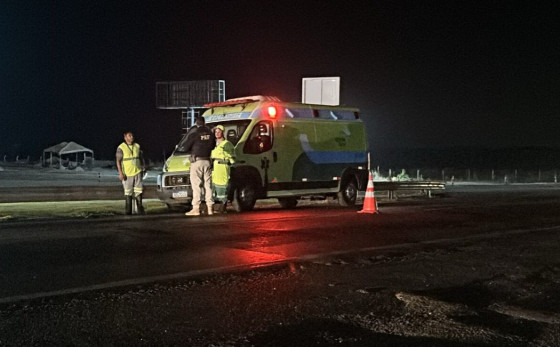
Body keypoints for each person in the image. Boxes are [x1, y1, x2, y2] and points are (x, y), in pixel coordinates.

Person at [183, 117, 215, 216]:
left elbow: (185, 147)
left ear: (196, 123)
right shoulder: (210, 134)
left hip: (197, 161)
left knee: (196, 186)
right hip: (207, 161)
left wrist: (192, 151)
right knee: (208, 185)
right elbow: (213, 146)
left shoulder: (195, 133)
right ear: (204, 123)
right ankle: (210, 208)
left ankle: (196, 208)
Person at [116, 131, 146, 215]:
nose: (132, 137)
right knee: (128, 193)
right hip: (127, 174)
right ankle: (128, 212)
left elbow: (141, 157)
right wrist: (120, 173)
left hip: (137, 172)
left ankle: (140, 210)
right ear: (125, 137)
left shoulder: (137, 146)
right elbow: (118, 161)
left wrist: (143, 166)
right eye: (129, 135)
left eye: (132, 135)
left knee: (139, 191)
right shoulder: (121, 147)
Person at [211, 125, 235, 213]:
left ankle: (223, 207)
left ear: (222, 132)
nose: (217, 133)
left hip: (223, 168)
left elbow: (232, 157)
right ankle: (215, 207)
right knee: (214, 188)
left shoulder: (227, 144)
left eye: (219, 132)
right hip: (214, 169)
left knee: (223, 187)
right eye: (215, 132)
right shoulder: (212, 143)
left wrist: (227, 159)